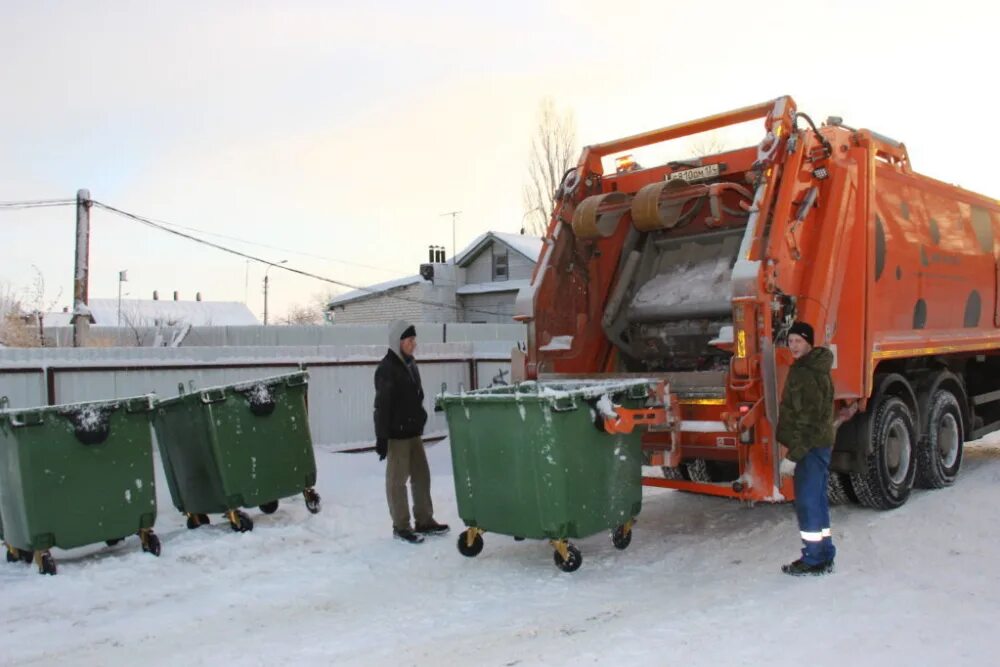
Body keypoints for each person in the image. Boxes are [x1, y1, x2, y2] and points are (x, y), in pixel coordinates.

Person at [373, 320, 449, 544]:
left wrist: (421, 415)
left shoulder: (410, 364)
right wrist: (382, 436)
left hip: (413, 432)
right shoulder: (387, 369)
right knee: (397, 482)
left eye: (414, 340)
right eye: (409, 340)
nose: (413, 344)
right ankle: (401, 526)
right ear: (397, 342)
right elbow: (382, 406)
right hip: (397, 436)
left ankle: (424, 520)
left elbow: (416, 396)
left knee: (421, 477)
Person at [776, 320, 836, 576]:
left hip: (809, 447)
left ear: (809, 342)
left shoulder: (808, 373)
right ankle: (824, 553)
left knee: (809, 503)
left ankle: (813, 560)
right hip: (816, 445)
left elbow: (809, 421)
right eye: (790, 342)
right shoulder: (809, 367)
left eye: (798, 341)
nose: (793, 346)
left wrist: (793, 457)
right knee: (817, 500)